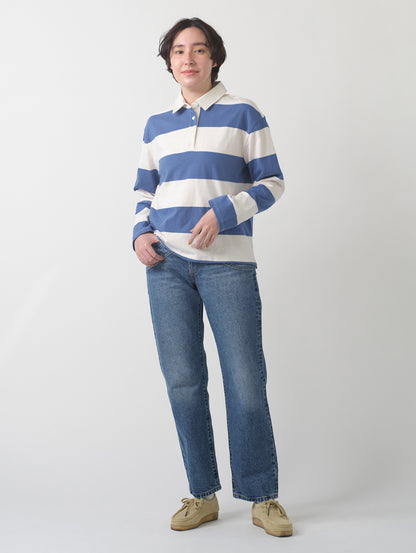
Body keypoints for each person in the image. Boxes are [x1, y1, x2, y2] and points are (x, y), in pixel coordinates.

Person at [132, 17, 293, 538]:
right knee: (183, 381)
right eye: (179, 51)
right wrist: (139, 233)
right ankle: (202, 494)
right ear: (170, 61)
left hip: (228, 265)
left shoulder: (244, 113)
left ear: (214, 58)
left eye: (199, 49)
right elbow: (144, 190)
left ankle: (263, 497)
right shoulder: (157, 125)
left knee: (245, 378)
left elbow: (272, 182)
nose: (189, 58)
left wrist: (225, 212)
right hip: (165, 267)